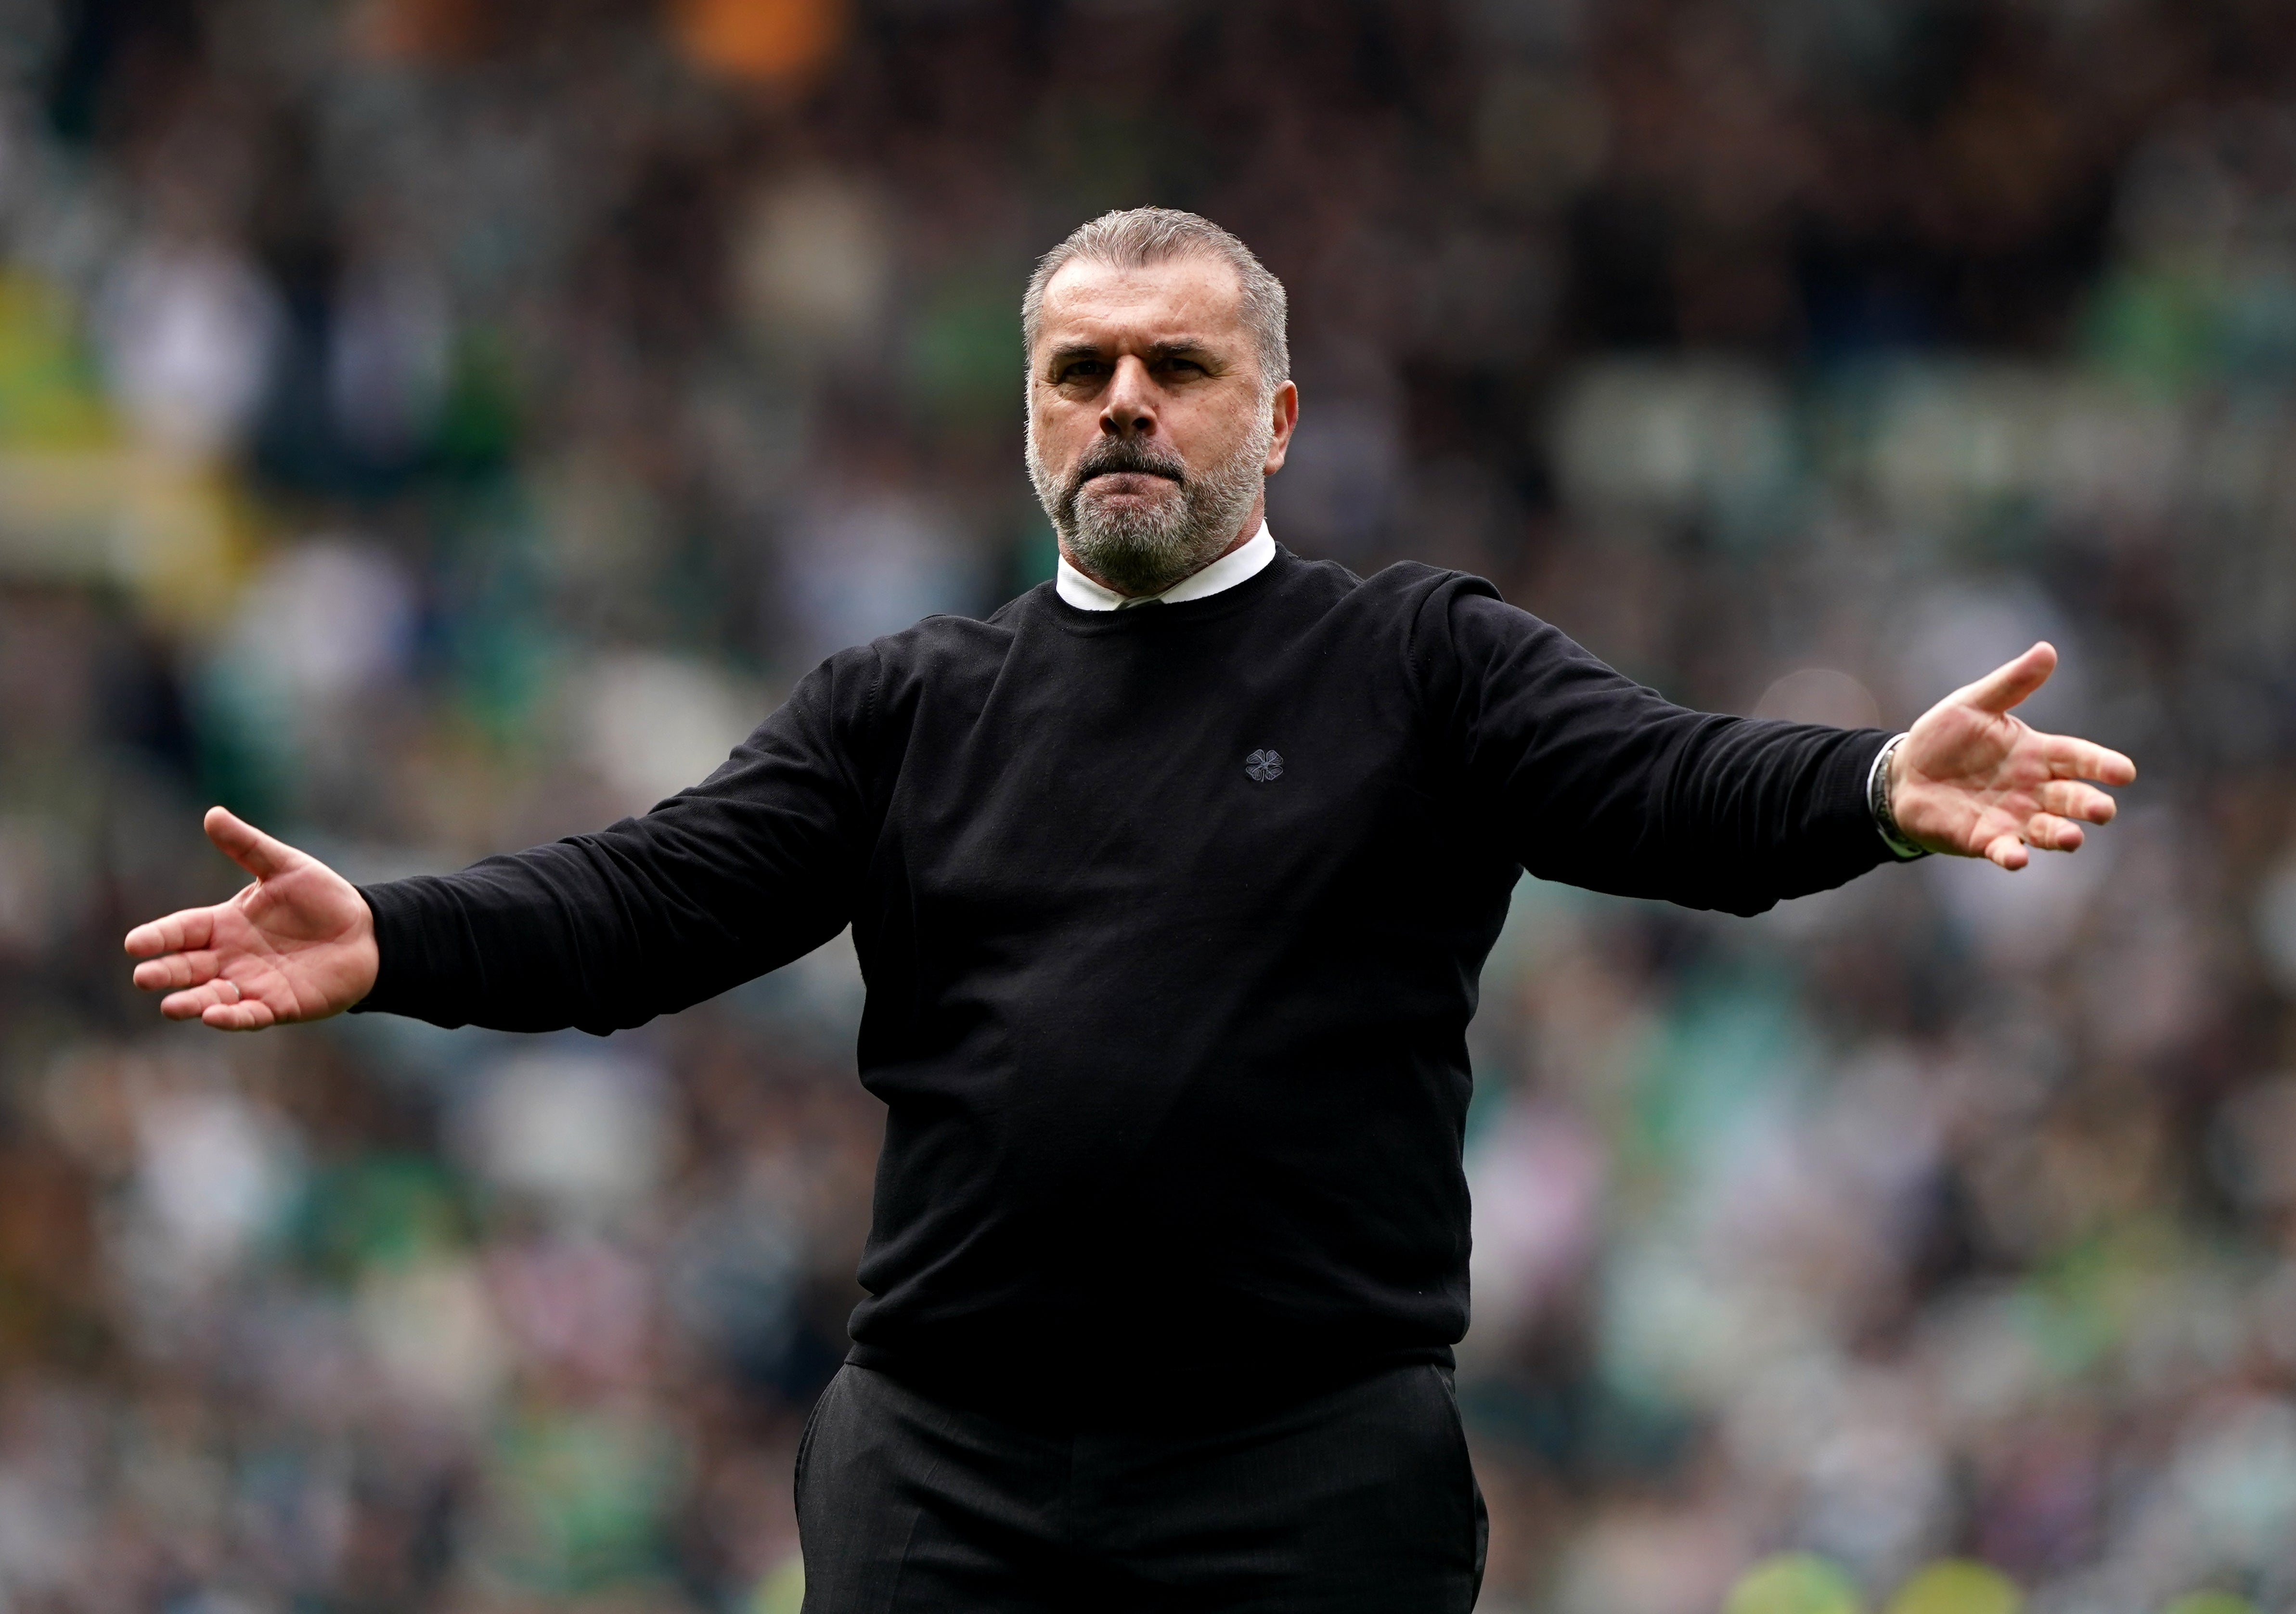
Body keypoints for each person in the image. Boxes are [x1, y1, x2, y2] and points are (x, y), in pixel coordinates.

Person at [125, 208, 2134, 1613]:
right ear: (1025, 415)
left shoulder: (1413, 662)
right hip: (946, 1465)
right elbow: (651, 900)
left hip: (1301, 1468)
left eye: (1177, 367)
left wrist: (1867, 784)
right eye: (1078, 367)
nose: (1120, 402)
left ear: (1270, 420)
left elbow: (1660, 782)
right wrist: (395, 933)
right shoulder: (904, 702)